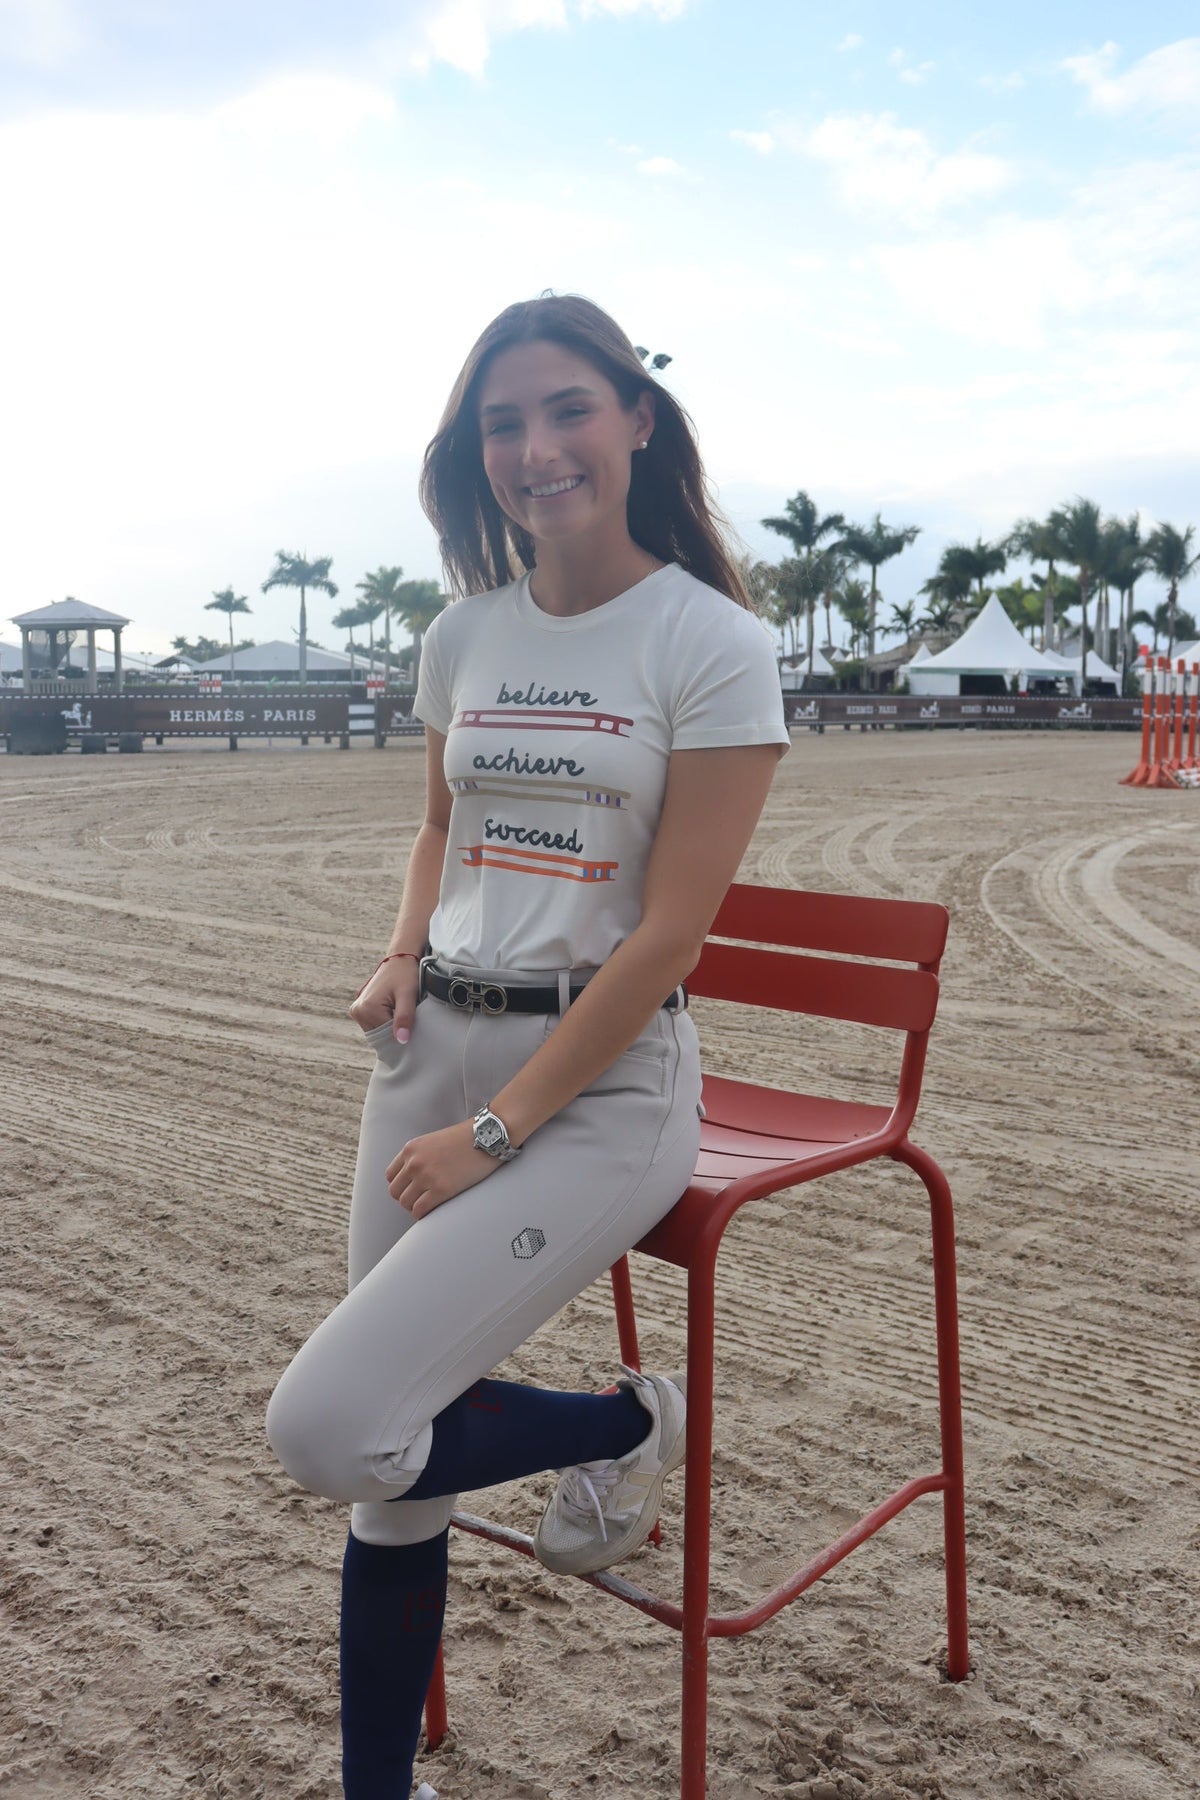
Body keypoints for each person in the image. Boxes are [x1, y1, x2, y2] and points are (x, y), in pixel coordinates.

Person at [266, 292, 790, 1799]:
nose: (537, 448)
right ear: (476, 452)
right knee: (388, 1485)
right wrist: (398, 957)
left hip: (607, 1088)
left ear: (638, 421)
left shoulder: (712, 643)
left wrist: (496, 1134)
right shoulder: (465, 634)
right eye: (504, 424)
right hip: (432, 1048)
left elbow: (668, 937)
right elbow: (441, 826)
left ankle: (624, 1423)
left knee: (335, 1428)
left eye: (569, 410)